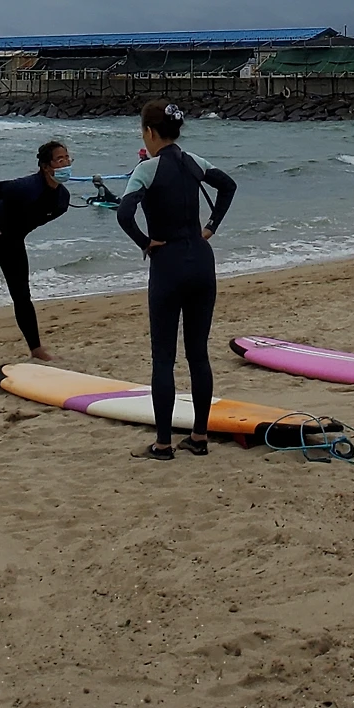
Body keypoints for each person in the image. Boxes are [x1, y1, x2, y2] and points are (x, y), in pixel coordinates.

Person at [117, 101, 237, 460]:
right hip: (201, 260)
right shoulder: (194, 161)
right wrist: (210, 227)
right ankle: (199, 437)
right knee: (198, 354)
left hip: (168, 263)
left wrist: (145, 242)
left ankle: (163, 444)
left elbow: (124, 214)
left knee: (163, 357)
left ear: (149, 132)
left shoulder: (145, 169)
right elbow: (228, 186)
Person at [0, 139, 71, 367]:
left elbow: (30, 220)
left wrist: (17, 232)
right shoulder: (25, 187)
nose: (65, 163)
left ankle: (36, 350)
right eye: (59, 160)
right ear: (46, 167)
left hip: (13, 241)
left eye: (67, 158)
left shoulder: (62, 200)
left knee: (22, 296)